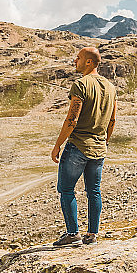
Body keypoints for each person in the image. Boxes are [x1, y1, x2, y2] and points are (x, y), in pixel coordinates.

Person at [51, 46, 116, 246]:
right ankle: (92, 235)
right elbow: (112, 120)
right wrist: (104, 141)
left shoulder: (80, 85)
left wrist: (57, 145)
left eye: (78, 58)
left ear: (89, 62)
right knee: (94, 191)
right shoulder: (110, 87)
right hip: (98, 149)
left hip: (78, 146)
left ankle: (73, 234)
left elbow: (72, 119)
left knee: (67, 190)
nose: (75, 61)